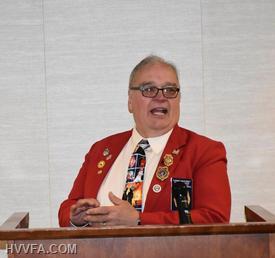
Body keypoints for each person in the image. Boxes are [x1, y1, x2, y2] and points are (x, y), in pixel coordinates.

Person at [58, 55, 231, 227]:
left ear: (179, 99)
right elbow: (68, 209)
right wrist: (77, 218)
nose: (161, 97)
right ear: (130, 101)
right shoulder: (102, 150)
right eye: (149, 89)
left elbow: (215, 217)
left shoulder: (204, 151)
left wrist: (139, 220)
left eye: (170, 90)